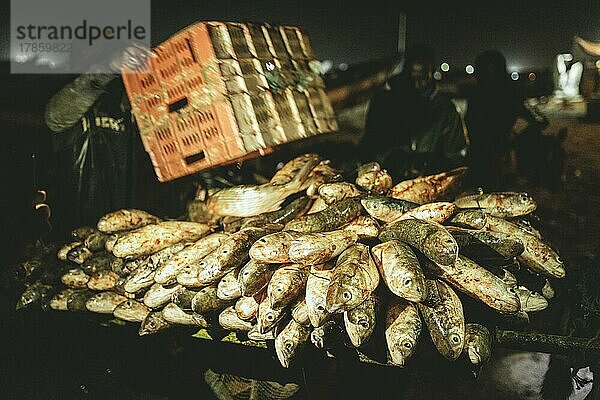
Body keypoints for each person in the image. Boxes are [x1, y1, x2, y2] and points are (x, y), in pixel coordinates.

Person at [44, 46, 192, 236]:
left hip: (123, 221)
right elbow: (54, 117)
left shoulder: (122, 104)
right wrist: (108, 67)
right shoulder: (69, 99)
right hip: (76, 226)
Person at [362, 44, 468, 179]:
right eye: (412, 77)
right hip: (387, 181)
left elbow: (457, 158)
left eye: (423, 78)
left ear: (432, 72)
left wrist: (428, 165)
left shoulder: (446, 111)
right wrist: (393, 160)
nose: (417, 84)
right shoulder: (385, 103)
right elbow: (369, 146)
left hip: (429, 186)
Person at [465, 50, 548, 190]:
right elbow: (540, 120)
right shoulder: (482, 95)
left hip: (495, 160)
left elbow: (540, 120)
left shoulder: (509, 95)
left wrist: (515, 139)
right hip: (486, 159)